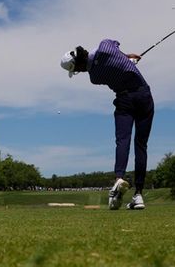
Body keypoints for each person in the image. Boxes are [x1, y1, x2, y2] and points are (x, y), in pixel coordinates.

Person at [60, 39, 154, 210]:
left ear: (78, 67)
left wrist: (126, 61)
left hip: (125, 100)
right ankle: (138, 194)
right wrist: (128, 58)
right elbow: (114, 50)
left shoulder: (94, 78)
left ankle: (119, 178)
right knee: (141, 145)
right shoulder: (105, 45)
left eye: (77, 71)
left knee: (122, 140)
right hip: (143, 95)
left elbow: (110, 68)